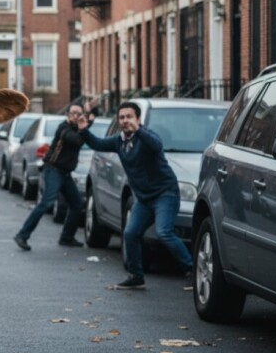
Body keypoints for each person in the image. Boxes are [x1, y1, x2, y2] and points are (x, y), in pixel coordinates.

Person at [77, 101, 192, 290]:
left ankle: (191, 269)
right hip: (144, 199)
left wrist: (138, 130)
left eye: (129, 117)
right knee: (130, 234)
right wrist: (83, 131)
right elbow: (97, 143)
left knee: (164, 232)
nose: (124, 121)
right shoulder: (118, 141)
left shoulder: (146, 136)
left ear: (138, 119)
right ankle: (136, 275)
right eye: (121, 118)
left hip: (165, 194)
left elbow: (156, 146)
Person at [13, 104, 91, 251]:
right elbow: (76, 140)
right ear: (67, 115)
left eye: (79, 114)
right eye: (73, 113)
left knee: (77, 204)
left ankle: (66, 237)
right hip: (53, 170)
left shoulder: (76, 128)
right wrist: (84, 126)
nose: (76, 116)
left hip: (65, 174)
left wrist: (89, 119)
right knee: (47, 202)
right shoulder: (63, 129)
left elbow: (82, 134)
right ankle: (22, 235)